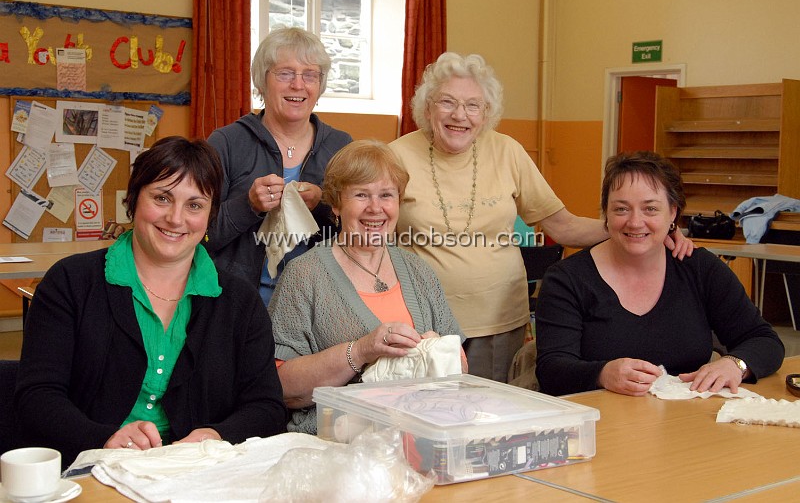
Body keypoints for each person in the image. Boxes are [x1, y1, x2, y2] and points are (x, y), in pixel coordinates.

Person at [388, 52, 694, 382]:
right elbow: (372, 233)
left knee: (493, 419)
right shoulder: (396, 156)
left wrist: (641, 230)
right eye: (447, 102)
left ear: (486, 112)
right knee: (424, 413)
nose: (459, 115)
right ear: (427, 106)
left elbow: (562, 225)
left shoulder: (508, 152)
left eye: (473, 105)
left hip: (500, 321)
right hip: (421, 318)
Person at [14, 137, 288, 467]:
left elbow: (267, 407)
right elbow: (36, 398)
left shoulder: (239, 302)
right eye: (162, 198)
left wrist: (215, 436)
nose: (175, 218)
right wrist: (104, 439)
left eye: (195, 205)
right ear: (133, 199)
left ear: (209, 216)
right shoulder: (70, 282)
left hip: (198, 473)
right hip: (90, 472)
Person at [535, 151, 785, 396]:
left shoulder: (698, 268)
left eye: (650, 209)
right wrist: (602, 374)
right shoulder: (567, 279)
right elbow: (551, 370)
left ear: (673, 212)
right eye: (621, 209)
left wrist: (735, 364)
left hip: (688, 423)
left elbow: (764, 340)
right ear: (606, 214)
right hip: (605, 424)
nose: (635, 222)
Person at [268, 140, 466, 434]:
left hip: (419, 439)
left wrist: (438, 352)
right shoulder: (304, 275)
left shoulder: (419, 271)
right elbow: (282, 387)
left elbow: (461, 368)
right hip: (334, 446)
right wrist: (360, 351)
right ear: (336, 204)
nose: (376, 209)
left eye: (386, 195)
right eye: (361, 195)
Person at [206, 26, 352, 306]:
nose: (298, 85)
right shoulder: (227, 142)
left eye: (310, 75)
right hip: (237, 305)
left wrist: (323, 204)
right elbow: (198, 234)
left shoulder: (341, 146)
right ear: (262, 82)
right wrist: (248, 206)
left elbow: (359, 237)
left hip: (318, 307)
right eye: (285, 73)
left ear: (319, 86)